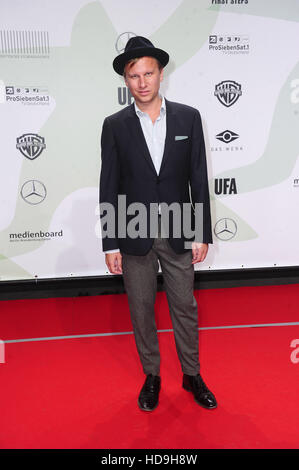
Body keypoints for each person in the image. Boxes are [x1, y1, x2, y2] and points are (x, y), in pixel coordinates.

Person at [99, 36, 217, 411]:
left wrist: (201, 231)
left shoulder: (188, 117)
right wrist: (110, 242)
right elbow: (109, 183)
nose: (143, 81)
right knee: (141, 308)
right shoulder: (114, 125)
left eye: (149, 72)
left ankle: (192, 374)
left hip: (180, 227)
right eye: (134, 75)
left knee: (185, 305)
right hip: (134, 231)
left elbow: (198, 177)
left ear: (161, 74)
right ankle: (152, 375)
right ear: (126, 80)